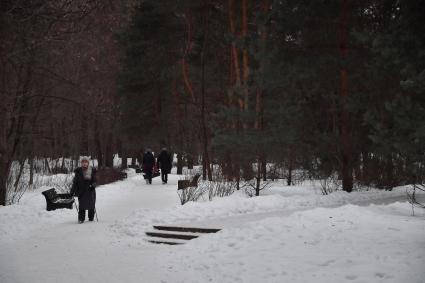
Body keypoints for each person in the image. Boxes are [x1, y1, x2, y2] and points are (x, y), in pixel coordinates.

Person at [71, 157, 97, 224]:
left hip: (90, 190)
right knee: (82, 206)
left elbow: (95, 180)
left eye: (86, 162)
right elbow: (75, 183)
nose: (84, 163)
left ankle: (91, 217)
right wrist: (72, 191)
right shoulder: (78, 171)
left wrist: (93, 186)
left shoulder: (92, 170)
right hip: (81, 191)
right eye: (83, 162)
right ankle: (81, 219)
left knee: (91, 205)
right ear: (81, 163)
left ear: (88, 163)